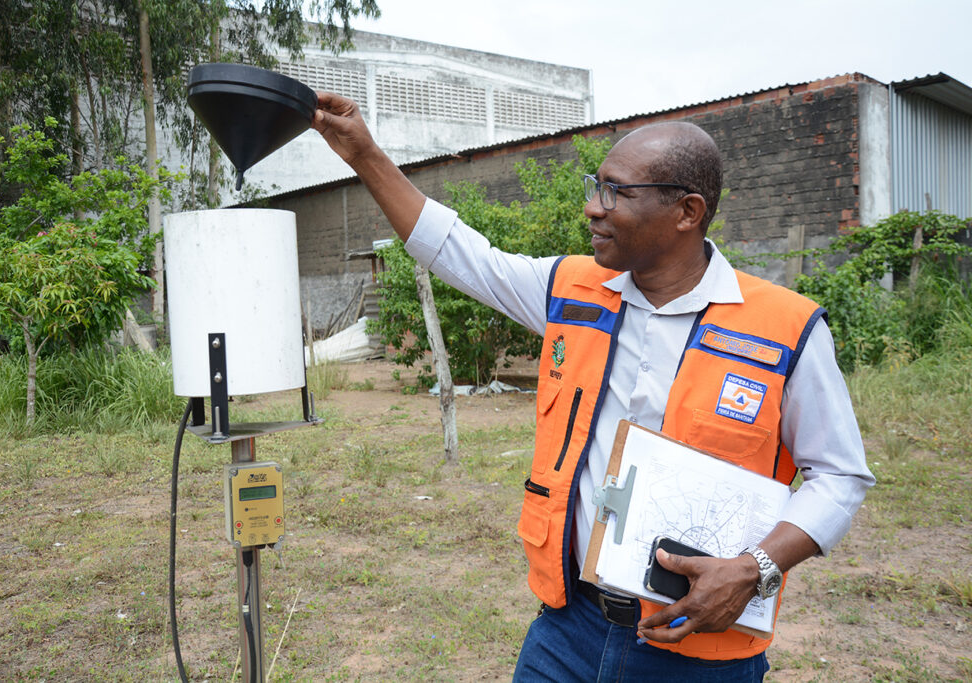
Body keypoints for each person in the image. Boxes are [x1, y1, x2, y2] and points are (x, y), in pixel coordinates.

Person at [312, 91, 874, 681]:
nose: (593, 208)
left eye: (616, 193)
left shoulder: (787, 328)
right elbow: (456, 250)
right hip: (569, 631)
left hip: (700, 648)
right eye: (594, 186)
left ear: (686, 211)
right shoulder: (570, 290)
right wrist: (364, 153)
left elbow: (839, 476)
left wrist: (754, 567)